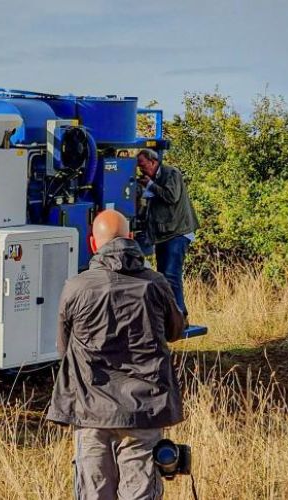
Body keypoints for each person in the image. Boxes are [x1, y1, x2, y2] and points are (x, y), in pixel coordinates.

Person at [46, 209, 185, 500]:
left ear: (93, 244)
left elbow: (63, 348)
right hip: (144, 411)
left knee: (95, 493)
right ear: (131, 238)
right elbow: (175, 331)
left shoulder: (76, 287)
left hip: (92, 412)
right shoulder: (156, 283)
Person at [136, 148, 198, 318]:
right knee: (162, 277)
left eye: (143, 165)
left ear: (153, 161)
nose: (141, 170)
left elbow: (171, 196)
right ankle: (167, 316)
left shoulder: (171, 173)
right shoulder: (152, 179)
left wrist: (150, 185)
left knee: (171, 275)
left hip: (177, 232)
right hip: (163, 234)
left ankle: (180, 316)